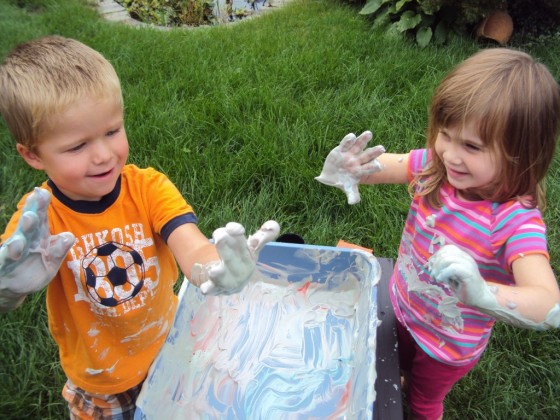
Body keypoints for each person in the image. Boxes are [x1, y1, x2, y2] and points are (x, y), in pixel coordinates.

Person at [0, 35, 279, 419]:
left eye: (112, 131)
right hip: (101, 379)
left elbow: (192, 247)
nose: (103, 155)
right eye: (77, 146)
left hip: (169, 348)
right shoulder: (37, 219)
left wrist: (217, 269)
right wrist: (7, 291)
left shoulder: (148, 189)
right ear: (32, 154)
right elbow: (7, 275)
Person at [316, 48, 560, 419]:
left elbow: (548, 306)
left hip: (447, 344)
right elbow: (394, 164)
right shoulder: (437, 169)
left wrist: (482, 293)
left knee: (423, 401)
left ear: (521, 154)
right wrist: (354, 169)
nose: (450, 154)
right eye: (445, 135)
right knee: (390, 367)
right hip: (401, 304)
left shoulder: (515, 221)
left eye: (472, 146)